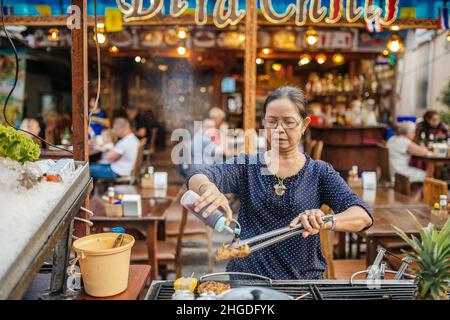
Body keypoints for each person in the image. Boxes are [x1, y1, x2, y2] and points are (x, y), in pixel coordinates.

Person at [187, 86, 373, 280]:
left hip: (302, 281)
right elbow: (197, 175)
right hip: (248, 279)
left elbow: (363, 216)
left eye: (289, 122)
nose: (279, 130)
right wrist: (208, 188)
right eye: (272, 122)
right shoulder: (247, 166)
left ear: (304, 125)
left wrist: (325, 221)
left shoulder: (319, 172)